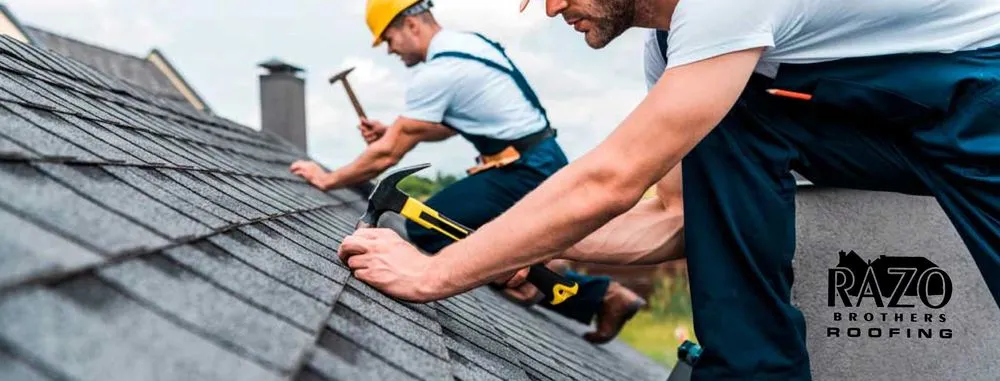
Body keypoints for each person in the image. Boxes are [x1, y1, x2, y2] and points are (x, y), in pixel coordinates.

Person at [337, 0, 1000, 379]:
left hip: (983, 96)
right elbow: (678, 217)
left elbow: (613, 177)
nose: (550, 6)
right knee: (726, 122)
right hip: (897, 123)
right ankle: (753, 373)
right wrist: (512, 248)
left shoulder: (722, 7)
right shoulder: (675, 54)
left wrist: (436, 271)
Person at [289, 0, 644, 343]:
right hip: (535, 159)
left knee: (426, 226)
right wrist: (393, 131)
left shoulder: (441, 70)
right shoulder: (467, 46)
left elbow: (386, 155)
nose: (390, 51)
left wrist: (327, 178)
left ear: (411, 24)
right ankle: (575, 289)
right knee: (468, 228)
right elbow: (446, 125)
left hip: (525, 169)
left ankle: (565, 288)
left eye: (388, 39)